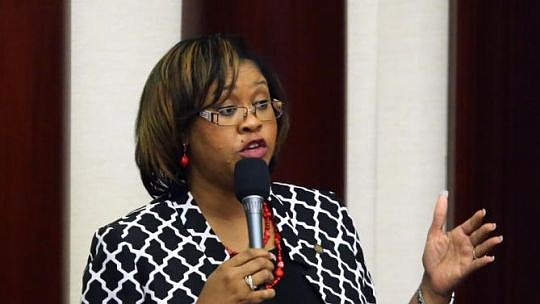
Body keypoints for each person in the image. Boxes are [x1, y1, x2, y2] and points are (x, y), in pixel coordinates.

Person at [81, 33, 503, 304]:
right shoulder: (129, 247)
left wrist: (431, 290)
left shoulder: (321, 216)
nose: (252, 121)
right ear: (181, 132)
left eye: (262, 103)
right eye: (227, 109)